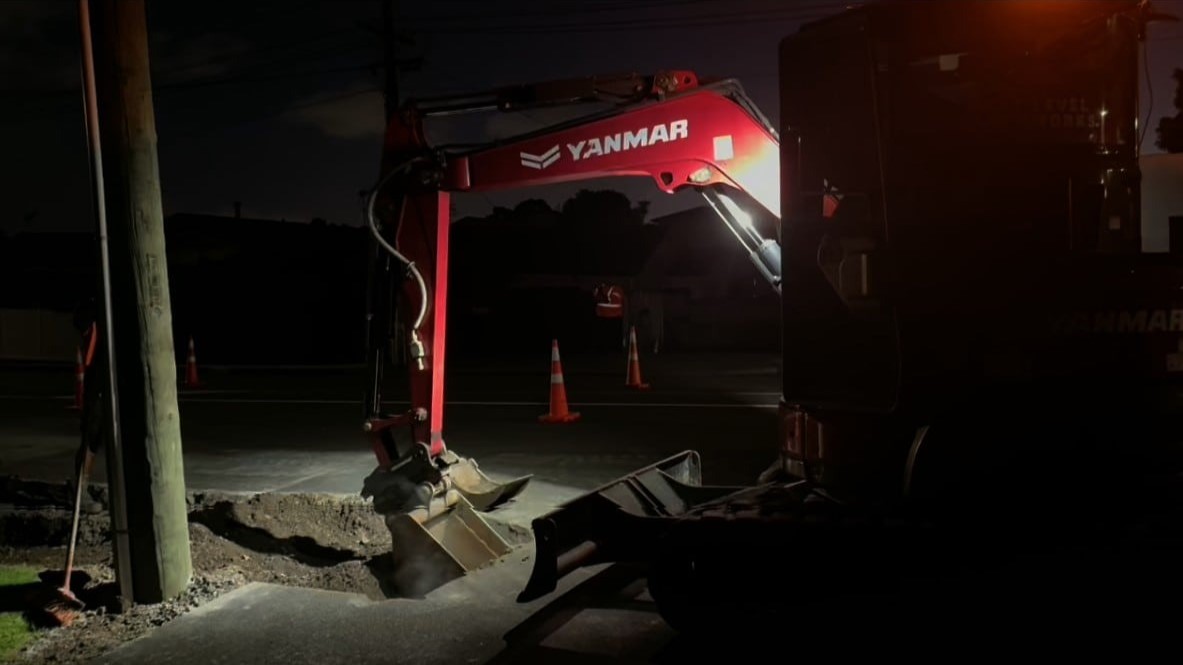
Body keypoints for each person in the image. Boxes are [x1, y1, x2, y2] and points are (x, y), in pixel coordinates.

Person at [70, 298, 104, 514]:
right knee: (93, 432)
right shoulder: (96, 304)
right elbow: (80, 319)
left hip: (120, 376)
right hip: (99, 377)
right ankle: (80, 489)